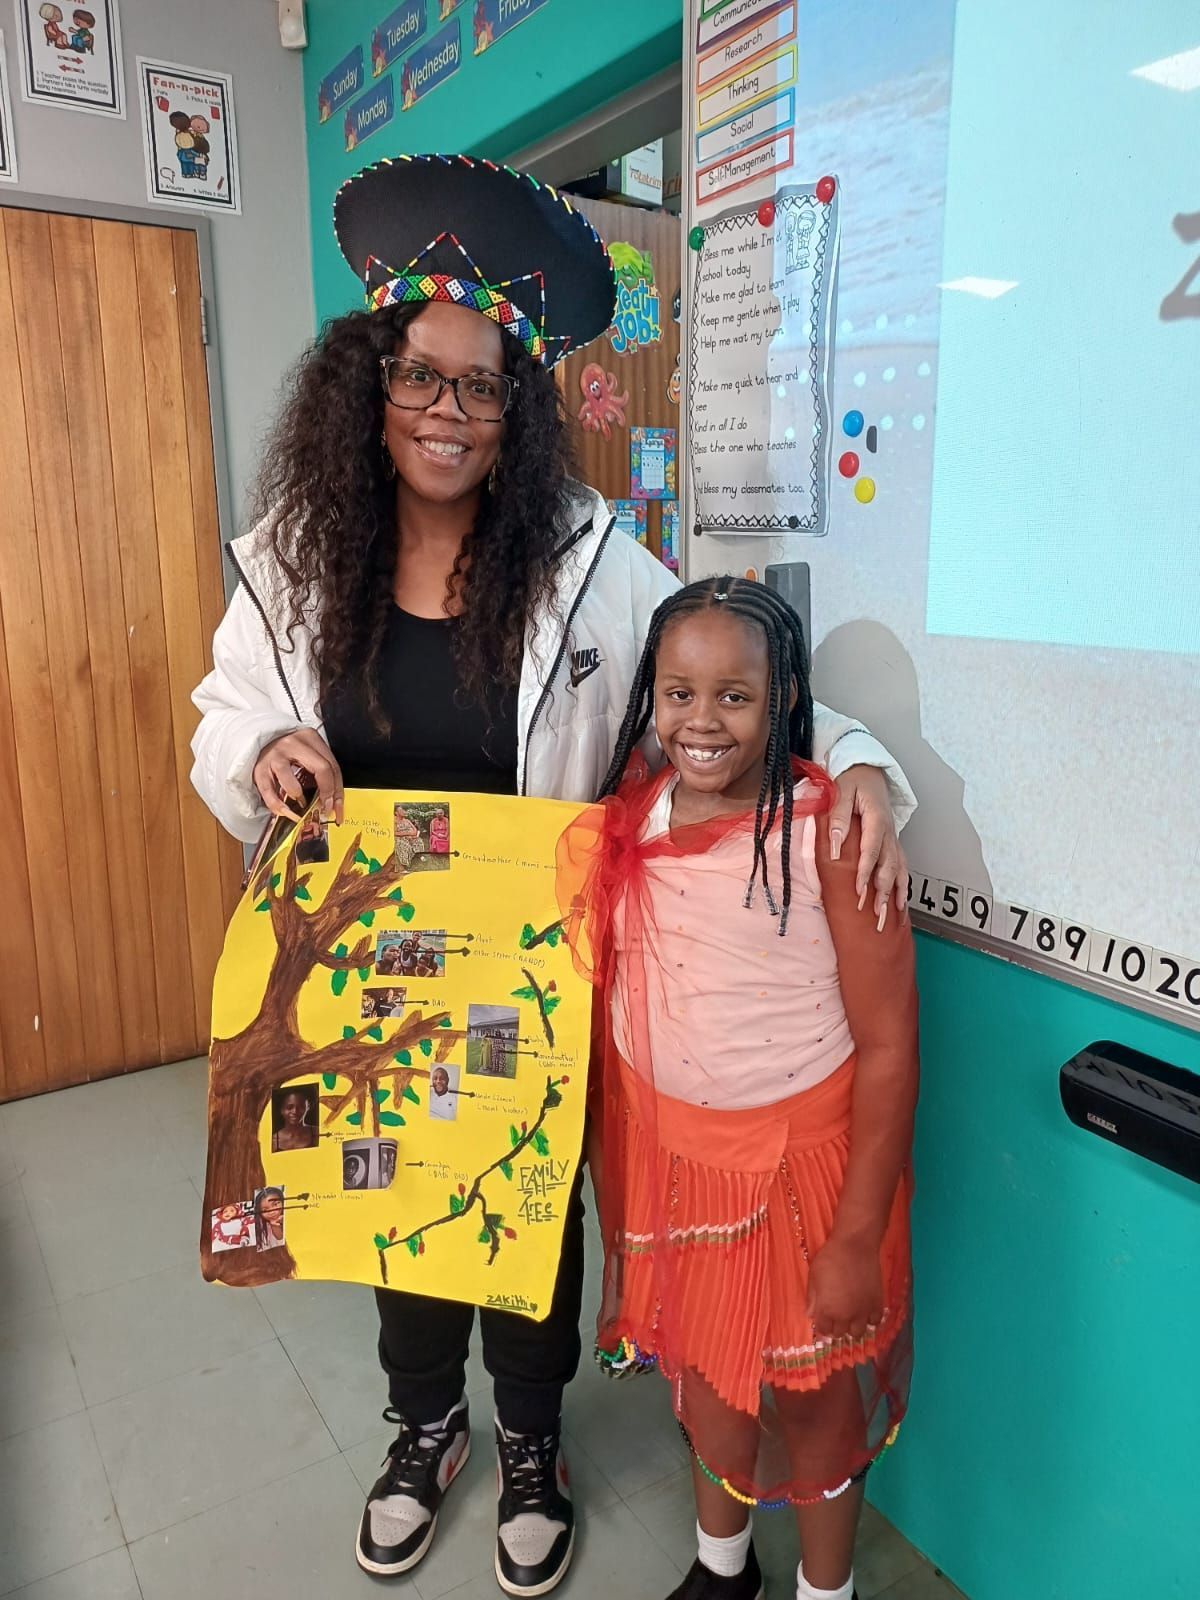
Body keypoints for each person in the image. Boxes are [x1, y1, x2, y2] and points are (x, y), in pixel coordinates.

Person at [190, 155, 913, 1597]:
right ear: (368, 385)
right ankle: (424, 1429)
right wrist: (265, 748)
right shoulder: (294, 562)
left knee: (520, 1202)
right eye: (421, 378)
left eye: (483, 387)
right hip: (372, 952)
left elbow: (726, 677)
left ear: (520, 412)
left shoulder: (591, 561)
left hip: (533, 960)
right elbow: (227, 709)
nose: (450, 412)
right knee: (395, 1195)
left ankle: (532, 1440)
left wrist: (864, 758)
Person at [584, 579, 919, 1600]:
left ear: (785, 705)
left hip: (801, 1177)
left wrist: (858, 1233)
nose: (701, 720)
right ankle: (722, 1570)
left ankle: (828, 1592)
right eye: (678, 692)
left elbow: (892, 1047)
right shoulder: (630, 819)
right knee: (705, 1375)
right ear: (649, 697)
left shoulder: (832, 830)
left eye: (735, 695)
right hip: (675, 1162)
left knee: (813, 1395)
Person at [272, 1088, 317, 1153]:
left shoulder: (318, 1133)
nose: (295, 1111)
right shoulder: (273, 1141)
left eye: (301, 1106)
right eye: (289, 1107)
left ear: (308, 1107)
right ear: (281, 1110)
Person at [255, 1187, 287, 1251]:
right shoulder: (262, 1226)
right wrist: (274, 1226)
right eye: (265, 1210)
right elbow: (280, 1244)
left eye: (275, 1204)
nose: (272, 1212)